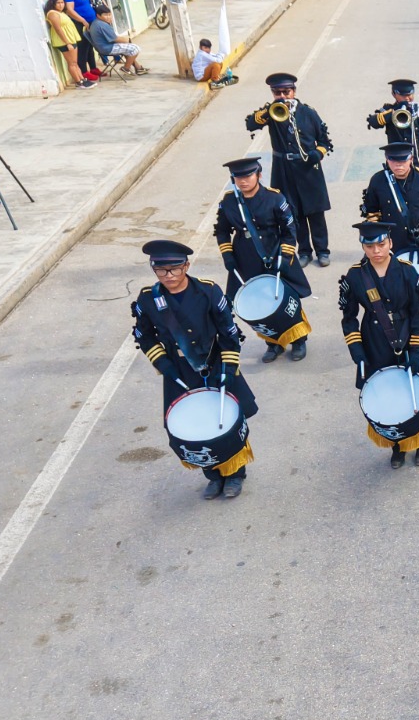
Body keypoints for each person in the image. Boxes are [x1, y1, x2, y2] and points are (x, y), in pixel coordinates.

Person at [131, 240, 258, 499]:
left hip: (214, 363)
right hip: (179, 370)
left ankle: (235, 472)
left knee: (226, 417)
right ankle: (212, 474)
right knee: (194, 424)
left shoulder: (208, 292)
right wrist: (163, 364)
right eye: (161, 270)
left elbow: (229, 332)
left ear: (186, 266)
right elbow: (144, 336)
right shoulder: (147, 298)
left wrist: (228, 366)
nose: (169, 276)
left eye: (175, 269)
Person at [338, 222, 419, 469]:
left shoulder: (407, 271)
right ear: (362, 246)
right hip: (375, 342)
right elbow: (349, 317)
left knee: (415, 390)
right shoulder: (354, 276)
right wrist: (358, 352)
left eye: (381, 244)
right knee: (386, 396)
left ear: (391, 243)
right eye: (370, 245)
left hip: (407, 338)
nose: (376, 251)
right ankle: (397, 445)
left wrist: (417, 351)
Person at [214, 156, 313, 364]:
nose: (243, 181)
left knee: (285, 298)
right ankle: (273, 343)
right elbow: (221, 231)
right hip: (245, 257)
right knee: (257, 301)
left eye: (248, 175)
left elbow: (289, 230)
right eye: (238, 177)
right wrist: (227, 255)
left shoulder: (275, 198)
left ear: (259, 175)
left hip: (274, 251)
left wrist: (285, 256)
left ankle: (299, 339)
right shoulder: (229, 201)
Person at [358, 141, 419, 341]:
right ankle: (403, 324)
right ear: (387, 160)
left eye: (403, 160)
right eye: (394, 161)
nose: (398, 165)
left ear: (411, 159)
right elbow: (371, 212)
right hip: (392, 245)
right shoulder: (378, 181)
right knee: (395, 287)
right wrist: (378, 240)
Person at [244, 72, 333, 266]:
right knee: (294, 212)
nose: (283, 96)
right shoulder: (272, 112)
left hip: (308, 169)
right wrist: (268, 110)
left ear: (294, 91)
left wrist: (316, 154)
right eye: (277, 93)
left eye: (286, 91)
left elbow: (325, 141)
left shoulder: (308, 112)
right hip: (284, 169)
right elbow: (250, 124)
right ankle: (304, 251)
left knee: (315, 212)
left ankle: (322, 250)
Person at [367, 78, 419, 180]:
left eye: (410, 94)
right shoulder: (388, 110)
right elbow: (374, 122)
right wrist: (395, 111)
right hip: (398, 166)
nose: (407, 98)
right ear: (394, 94)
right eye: (403, 95)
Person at [85, 6, 147, 74]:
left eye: (109, 14)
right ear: (98, 15)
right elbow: (115, 39)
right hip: (107, 48)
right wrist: (128, 40)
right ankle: (126, 68)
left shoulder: (96, 22)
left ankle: (138, 68)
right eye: (105, 15)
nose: (108, 17)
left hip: (104, 47)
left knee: (128, 49)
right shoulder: (102, 25)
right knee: (135, 48)